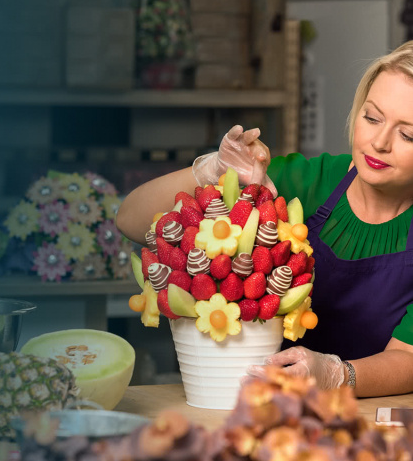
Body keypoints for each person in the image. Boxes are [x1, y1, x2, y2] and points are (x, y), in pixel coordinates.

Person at [116, 40, 413, 397]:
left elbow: (407, 359)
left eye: (408, 133)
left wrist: (337, 375)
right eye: (372, 117)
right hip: (256, 406)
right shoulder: (306, 183)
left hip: (364, 419)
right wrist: (213, 170)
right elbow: (131, 219)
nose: (379, 142)